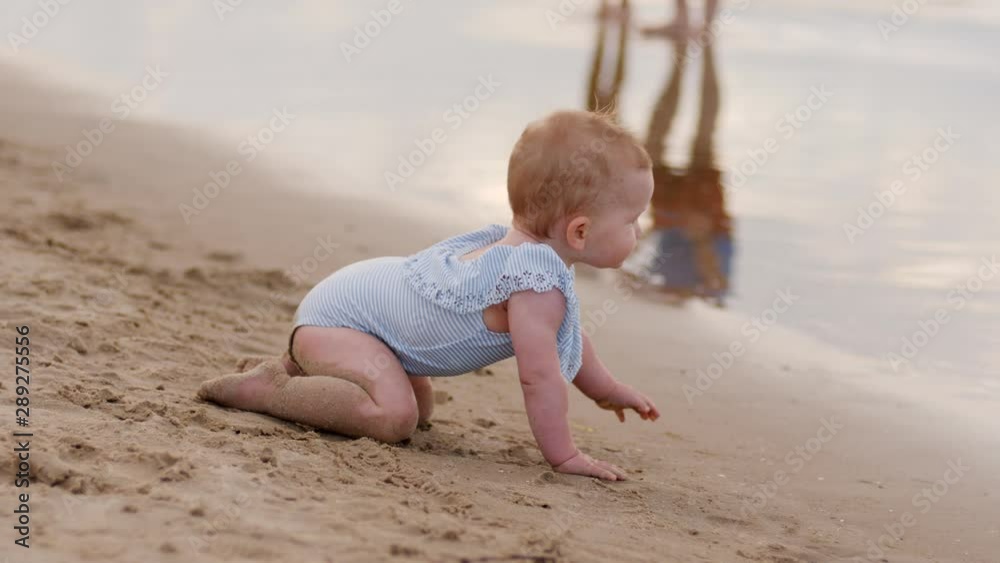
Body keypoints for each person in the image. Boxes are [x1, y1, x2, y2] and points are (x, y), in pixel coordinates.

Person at [198, 110, 661, 482]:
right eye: (632, 219)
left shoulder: (521, 256)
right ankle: (270, 389)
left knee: (421, 413)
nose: (638, 231)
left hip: (361, 317)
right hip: (341, 321)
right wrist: (564, 455)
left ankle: (306, 367)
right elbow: (539, 378)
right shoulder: (533, 283)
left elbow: (570, 340)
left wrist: (608, 390)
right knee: (395, 418)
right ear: (579, 232)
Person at [622, 30, 734, 305]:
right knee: (703, 140)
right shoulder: (697, 285)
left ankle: (690, 58)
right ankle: (687, 59)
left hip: (681, 218)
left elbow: (718, 287)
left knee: (663, 143)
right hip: (695, 217)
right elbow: (718, 287)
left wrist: (698, 237)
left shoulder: (688, 283)